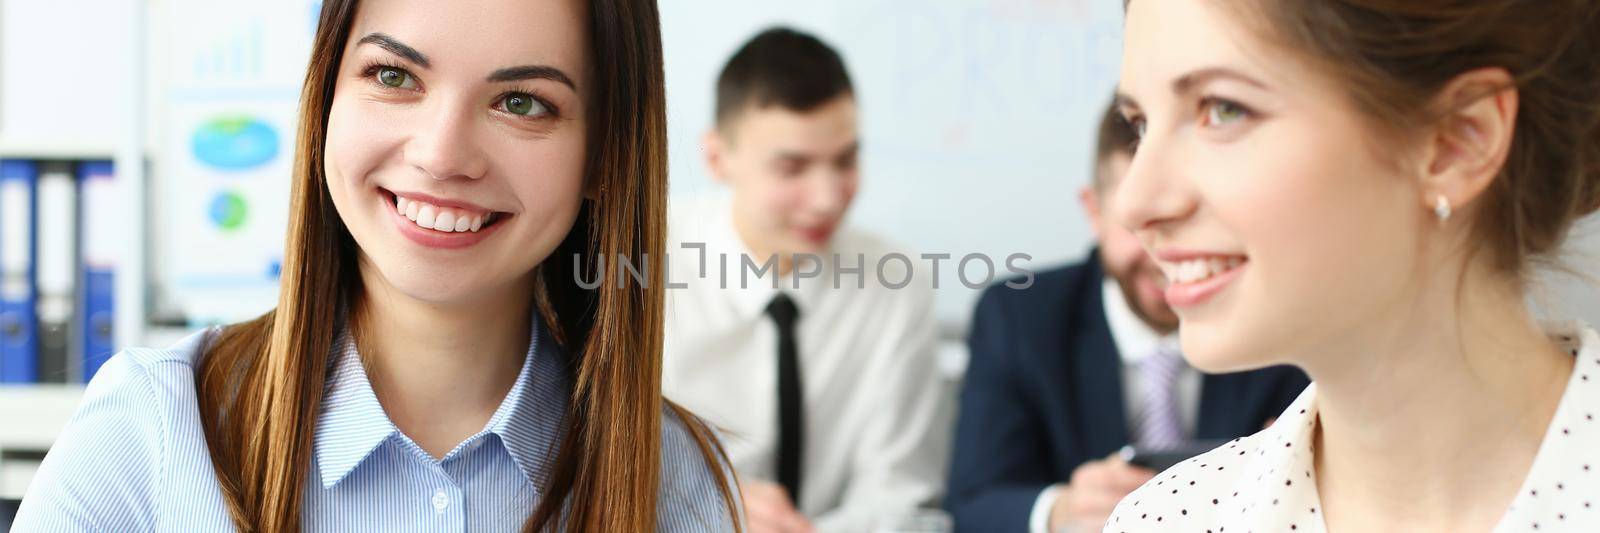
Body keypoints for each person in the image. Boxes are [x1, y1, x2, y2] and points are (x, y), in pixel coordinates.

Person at [14, 0, 743, 531]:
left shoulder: (674, 483)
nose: (442, 153)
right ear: (327, 94)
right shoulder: (149, 432)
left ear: (606, 152)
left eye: (522, 101)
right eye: (394, 76)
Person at [1106, 0, 1600, 531]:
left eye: (1223, 109)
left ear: (1457, 142)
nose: (1133, 204)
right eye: (1139, 125)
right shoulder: (1164, 520)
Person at [945, 103, 1307, 533]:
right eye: (1136, 222)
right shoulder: (1018, 318)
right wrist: (1059, 512)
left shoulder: (1284, 318)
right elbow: (973, 502)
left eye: (1193, 218)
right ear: (1093, 211)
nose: (1165, 255)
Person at [662, 27, 949, 533]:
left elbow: (901, 498)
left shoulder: (897, 286)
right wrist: (705, 512)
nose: (827, 198)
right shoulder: (641, 264)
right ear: (716, 159)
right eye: (792, 168)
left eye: (845, 160)